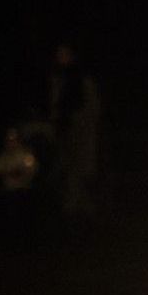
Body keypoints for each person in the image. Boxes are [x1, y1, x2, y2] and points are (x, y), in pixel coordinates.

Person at [46, 42, 102, 219]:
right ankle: (83, 212)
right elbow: (56, 107)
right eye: (58, 54)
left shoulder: (83, 82)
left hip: (80, 133)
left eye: (64, 54)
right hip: (65, 132)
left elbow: (92, 109)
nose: (60, 58)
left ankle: (72, 212)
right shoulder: (58, 80)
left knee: (77, 172)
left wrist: (77, 122)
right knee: (69, 172)